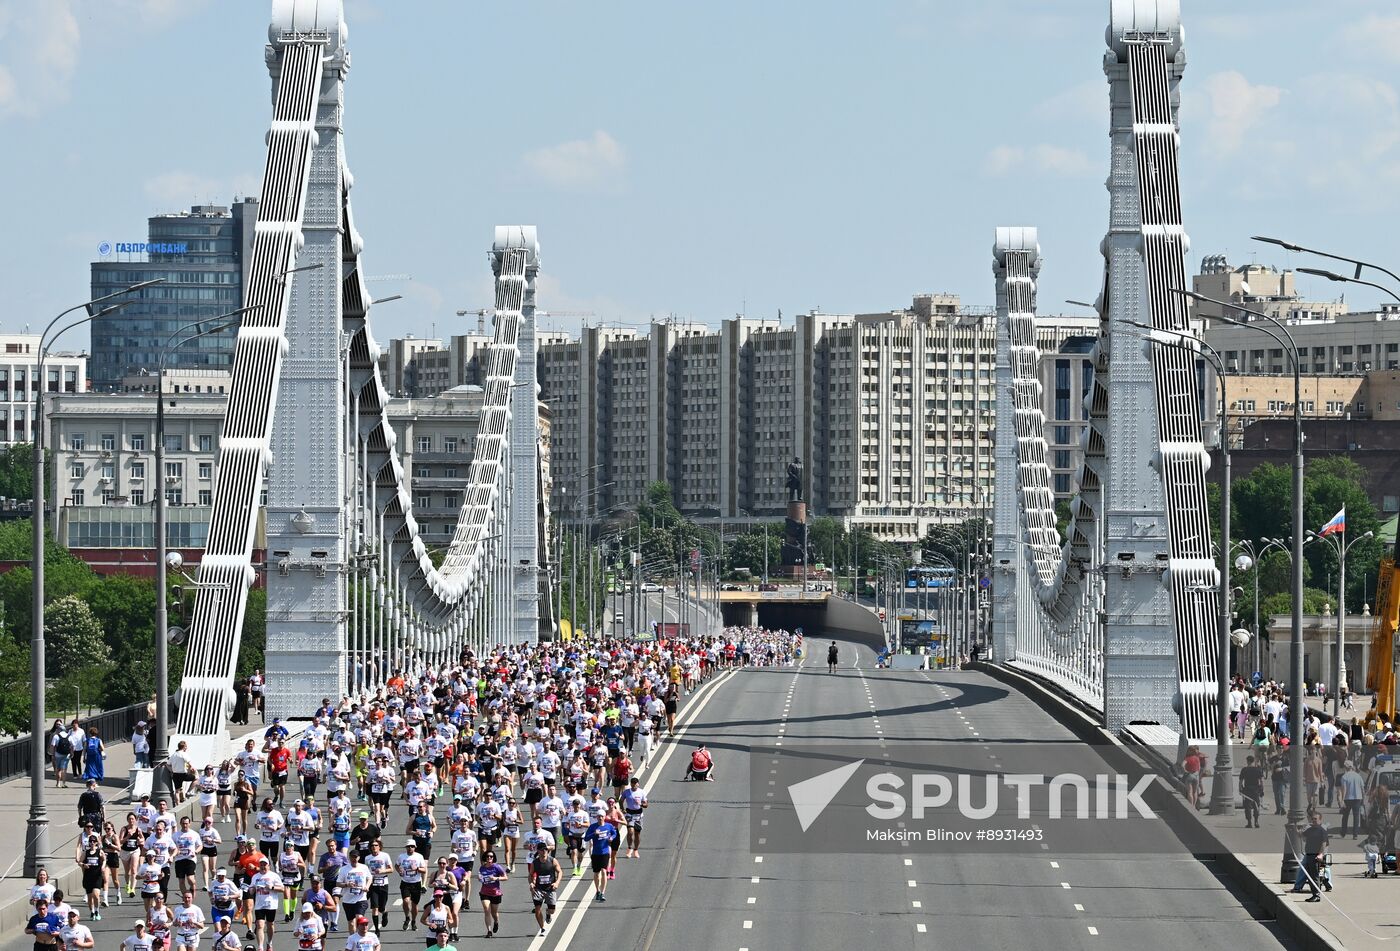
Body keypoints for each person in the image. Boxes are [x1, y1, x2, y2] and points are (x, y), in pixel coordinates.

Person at [528, 842, 560, 937]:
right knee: (537, 909)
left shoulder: (552, 860)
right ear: (538, 851)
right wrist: (531, 883)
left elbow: (560, 872)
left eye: (546, 849)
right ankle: (542, 928)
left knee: (552, 910)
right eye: (542, 850)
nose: (544, 851)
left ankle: (548, 913)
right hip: (538, 889)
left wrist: (557, 882)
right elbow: (530, 875)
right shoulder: (535, 863)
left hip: (550, 888)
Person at [583, 815, 617, 902]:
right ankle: (597, 891)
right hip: (595, 853)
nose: (600, 818)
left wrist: (611, 838)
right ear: (597, 817)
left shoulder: (609, 826)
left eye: (602, 816)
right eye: (599, 816)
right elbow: (586, 838)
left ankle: (602, 892)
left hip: (605, 852)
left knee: (604, 871)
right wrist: (594, 834)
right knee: (596, 873)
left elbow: (614, 833)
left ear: (604, 817)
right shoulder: (593, 826)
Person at [476, 850, 508, 938]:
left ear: (493, 858)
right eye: (487, 856)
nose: (489, 858)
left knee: (494, 913)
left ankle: (496, 922)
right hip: (484, 892)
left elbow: (505, 877)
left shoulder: (497, 867)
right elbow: (481, 877)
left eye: (491, 856)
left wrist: (495, 878)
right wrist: (480, 878)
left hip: (495, 893)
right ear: (485, 858)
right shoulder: (482, 867)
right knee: (486, 910)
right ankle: (489, 931)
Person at [1238, 755, 1264, 829]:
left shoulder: (1244, 769)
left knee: (1247, 806)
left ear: (1248, 761)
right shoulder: (1258, 769)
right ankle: (1256, 821)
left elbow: (1241, 781)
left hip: (1247, 790)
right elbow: (1261, 780)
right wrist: (1262, 789)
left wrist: (1240, 789)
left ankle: (1249, 822)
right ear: (1253, 761)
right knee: (1256, 805)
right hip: (1256, 790)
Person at [51, 721, 73, 787]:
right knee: (64, 769)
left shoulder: (56, 736)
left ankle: (58, 783)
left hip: (58, 754)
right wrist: (72, 753)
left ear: (59, 730)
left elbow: (53, 746)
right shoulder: (69, 736)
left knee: (58, 769)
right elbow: (72, 745)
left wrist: (53, 754)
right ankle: (64, 783)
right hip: (66, 755)